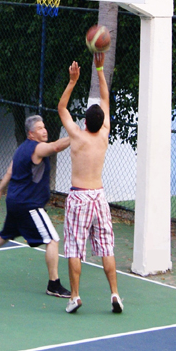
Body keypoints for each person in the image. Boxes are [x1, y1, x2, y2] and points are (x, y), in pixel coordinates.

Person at [0, 115, 72, 299]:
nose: (44, 130)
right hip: (28, 204)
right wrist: (76, 134)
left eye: (44, 127)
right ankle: (53, 284)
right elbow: (56, 146)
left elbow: (10, 171)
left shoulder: (20, 150)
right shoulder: (36, 147)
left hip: (15, 201)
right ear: (31, 134)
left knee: (4, 234)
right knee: (52, 239)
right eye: (40, 128)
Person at [57, 53, 123, 314]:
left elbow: (62, 108)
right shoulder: (104, 134)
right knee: (106, 246)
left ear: (84, 121)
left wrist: (73, 81)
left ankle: (74, 296)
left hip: (79, 197)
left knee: (74, 246)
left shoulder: (77, 135)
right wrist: (100, 68)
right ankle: (115, 294)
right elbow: (105, 99)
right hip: (99, 196)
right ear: (102, 122)